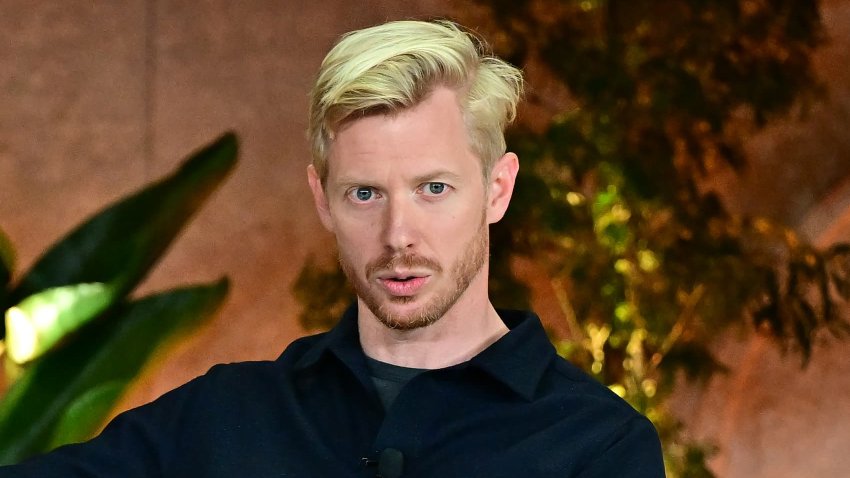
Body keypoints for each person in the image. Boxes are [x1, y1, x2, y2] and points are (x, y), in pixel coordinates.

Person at [1, 19, 664, 477]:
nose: (398, 234)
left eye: (434, 188)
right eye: (365, 194)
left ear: (497, 190)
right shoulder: (223, 416)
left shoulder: (599, 445)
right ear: (322, 200)